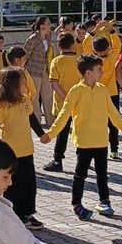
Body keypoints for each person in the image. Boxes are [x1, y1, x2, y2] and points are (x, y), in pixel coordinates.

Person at [43, 54, 122, 220]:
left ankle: (104, 201)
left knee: (102, 174)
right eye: (98, 69)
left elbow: (113, 113)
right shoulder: (75, 91)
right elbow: (64, 114)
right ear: (88, 73)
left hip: (101, 141)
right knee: (80, 175)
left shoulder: (102, 89)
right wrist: (51, 134)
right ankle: (76, 204)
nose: (102, 72)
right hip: (84, 142)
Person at [0, 67, 46, 231]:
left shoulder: (25, 100)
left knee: (29, 184)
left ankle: (28, 213)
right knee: (12, 186)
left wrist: (42, 135)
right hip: (11, 153)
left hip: (27, 151)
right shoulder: (2, 105)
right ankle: (13, 214)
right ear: (13, 84)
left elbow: (32, 119)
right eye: (22, 82)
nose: (24, 85)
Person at [42, 33, 82, 172]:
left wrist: (67, 98)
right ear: (73, 45)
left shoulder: (56, 61)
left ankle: (58, 160)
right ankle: (83, 158)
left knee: (61, 133)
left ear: (59, 46)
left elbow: (54, 83)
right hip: (80, 102)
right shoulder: (80, 60)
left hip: (61, 103)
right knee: (80, 131)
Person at [22, 16, 56, 127]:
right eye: (48, 23)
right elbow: (25, 56)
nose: (50, 25)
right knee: (34, 97)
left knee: (48, 95)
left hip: (45, 69)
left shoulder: (48, 37)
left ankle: (51, 122)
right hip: (33, 70)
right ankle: (36, 122)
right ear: (42, 26)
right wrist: (20, 70)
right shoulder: (32, 39)